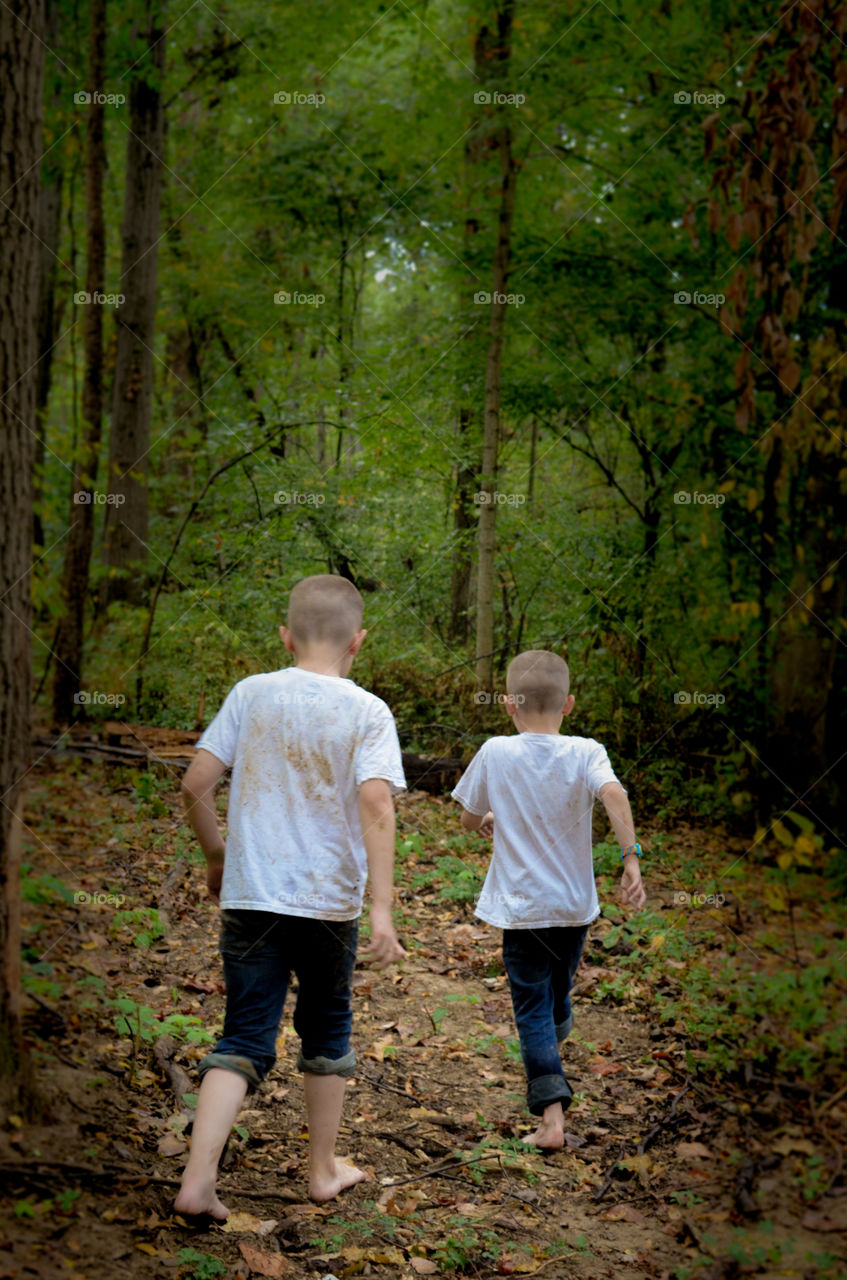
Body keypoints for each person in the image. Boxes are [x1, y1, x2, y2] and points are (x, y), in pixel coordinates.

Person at [174, 574, 406, 1217]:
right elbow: (376, 802)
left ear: (285, 636)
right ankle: (323, 1170)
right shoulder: (367, 709)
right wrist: (382, 907)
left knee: (244, 1038)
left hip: (251, 897)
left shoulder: (252, 693)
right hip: (329, 905)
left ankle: (197, 1181)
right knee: (327, 1030)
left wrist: (218, 856)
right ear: (359, 640)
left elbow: (196, 783)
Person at [452, 650, 646, 1150]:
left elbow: (468, 819)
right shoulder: (586, 751)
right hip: (574, 907)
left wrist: (488, 819)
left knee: (532, 1006)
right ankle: (552, 1043)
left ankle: (550, 1120)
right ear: (570, 704)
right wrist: (631, 860)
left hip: (522, 909)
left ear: (507, 704)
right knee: (555, 996)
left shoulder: (496, 750)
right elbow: (615, 795)